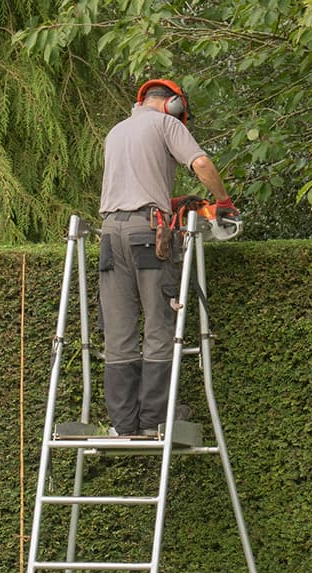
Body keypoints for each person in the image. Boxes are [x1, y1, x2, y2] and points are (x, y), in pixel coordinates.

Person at [97, 78, 237, 437]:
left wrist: (168, 202)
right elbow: (201, 163)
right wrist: (222, 201)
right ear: (174, 104)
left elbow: (133, 188)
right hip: (149, 235)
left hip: (111, 234)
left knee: (118, 329)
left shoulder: (116, 132)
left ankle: (124, 423)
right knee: (159, 324)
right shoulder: (166, 123)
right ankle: (155, 420)